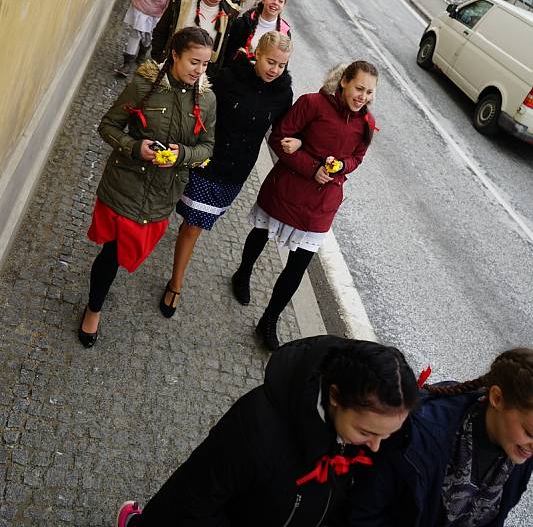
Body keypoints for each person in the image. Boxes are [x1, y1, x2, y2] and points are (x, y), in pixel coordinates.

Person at [116, 335, 419, 526]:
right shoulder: (256, 427)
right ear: (335, 396)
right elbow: (192, 503)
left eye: (389, 434)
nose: (376, 447)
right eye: (367, 432)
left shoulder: (358, 439)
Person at [78, 27, 216, 348]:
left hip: (162, 193)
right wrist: (134, 147)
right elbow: (107, 127)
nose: (200, 71)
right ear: (175, 56)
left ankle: (96, 302)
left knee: (125, 252)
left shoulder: (207, 99)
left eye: (206, 64)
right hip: (125, 185)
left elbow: (207, 147)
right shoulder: (142, 85)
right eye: (194, 62)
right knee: (111, 253)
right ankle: (93, 308)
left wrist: (182, 155)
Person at [232, 60, 378, 351]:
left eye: (370, 92)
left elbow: (357, 159)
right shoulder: (312, 103)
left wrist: (340, 166)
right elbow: (278, 137)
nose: (363, 96)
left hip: (322, 204)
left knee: (298, 267)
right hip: (288, 189)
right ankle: (243, 272)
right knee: (261, 233)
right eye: (359, 88)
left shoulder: (366, 124)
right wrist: (312, 167)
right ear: (345, 82)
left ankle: (269, 320)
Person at [159, 31, 293, 317]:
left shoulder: (283, 93)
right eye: (271, 62)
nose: (275, 70)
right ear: (257, 53)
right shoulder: (229, 77)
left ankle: (177, 265)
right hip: (206, 158)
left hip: (235, 170)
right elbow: (198, 103)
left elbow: (283, 131)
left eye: (281, 65)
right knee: (187, 219)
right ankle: (176, 283)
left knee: (194, 224)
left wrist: (297, 143)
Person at [349, 347, 533, 526]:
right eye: (529, 432)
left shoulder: (518, 451)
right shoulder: (416, 437)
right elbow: (363, 514)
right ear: (497, 399)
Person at [151, 0, 238, 79]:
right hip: (170, 69)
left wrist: (209, 76)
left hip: (199, 76)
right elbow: (161, 30)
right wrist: (159, 59)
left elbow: (223, 51)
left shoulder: (230, 13)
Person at [224, 0, 290, 65]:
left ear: (283, 5)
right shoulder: (243, 23)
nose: (275, 3)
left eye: (280, 1)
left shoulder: (285, 32)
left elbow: (283, 64)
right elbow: (227, 54)